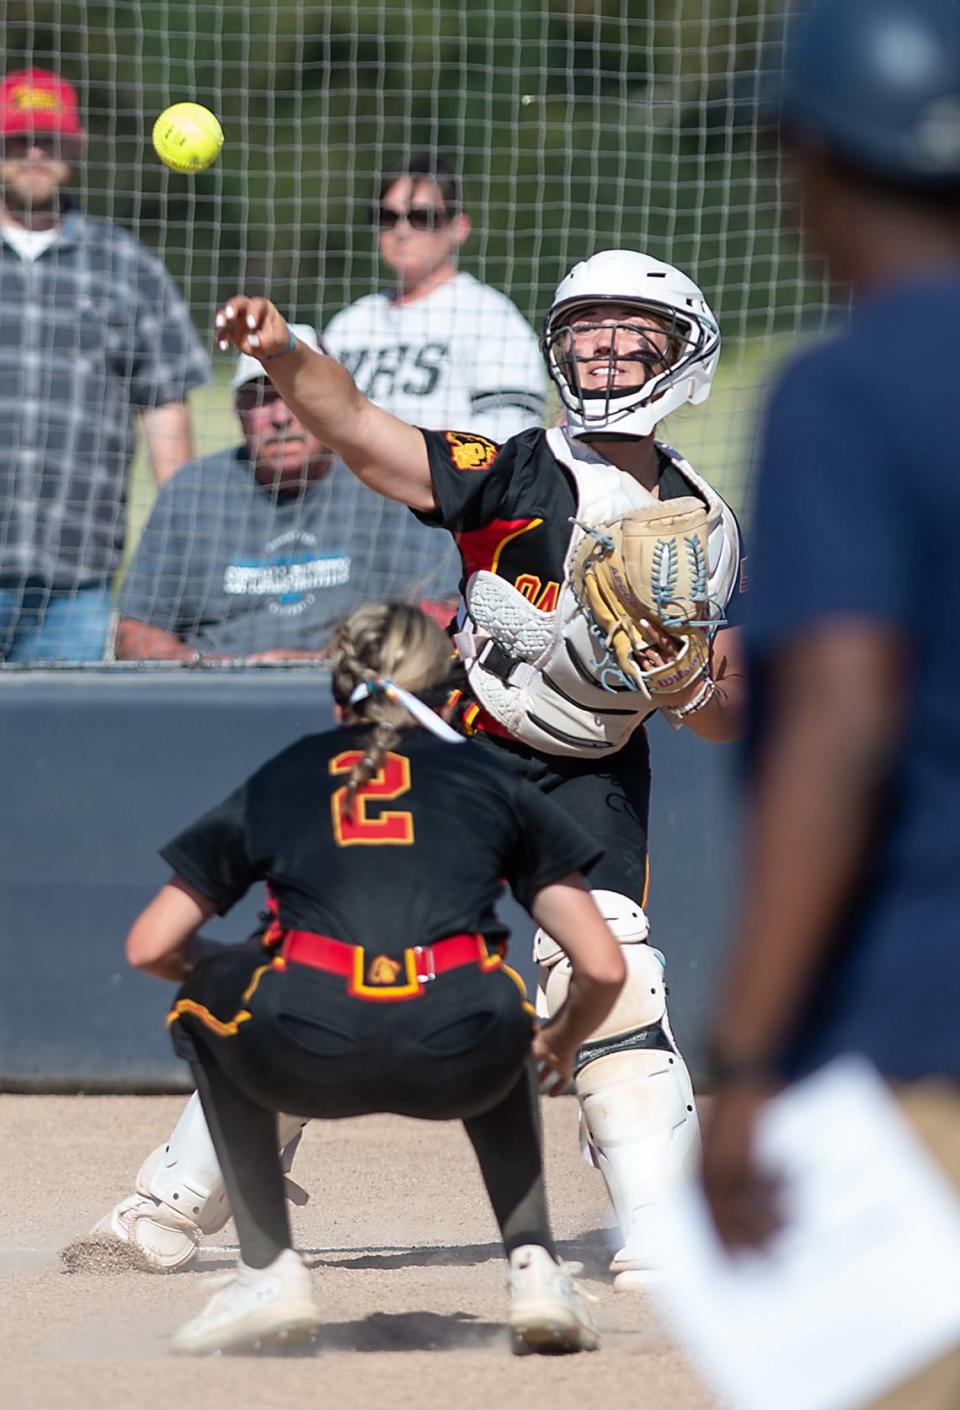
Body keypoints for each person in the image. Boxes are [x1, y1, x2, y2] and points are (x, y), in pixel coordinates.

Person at [78, 247, 745, 1286]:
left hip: (592, 776)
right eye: (586, 331)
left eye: (632, 333)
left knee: (621, 989)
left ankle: (664, 1234)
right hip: (457, 753)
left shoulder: (710, 522)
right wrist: (284, 349)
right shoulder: (516, 465)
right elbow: (358, 428)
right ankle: (172, 1199)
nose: (605, 350)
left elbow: (724, 712)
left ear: (683, 354)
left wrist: (688, 684)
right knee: (331, 969)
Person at [122, 601, 624, 1356]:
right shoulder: (492, 779)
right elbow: (604, 964)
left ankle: (268, 1270)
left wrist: (230, 969)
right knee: (497, 1003)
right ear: (455, 697)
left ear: (339, 695)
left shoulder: (288, 771)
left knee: (207, 1001)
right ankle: (536, 1270)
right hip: (462, 1056)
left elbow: (149, 945)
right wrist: (560, 1039)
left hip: (305, 1048)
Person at [697, 2, 960, 1406]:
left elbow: (843, 719)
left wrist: (743, 1059)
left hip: (920, 1038)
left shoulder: (844, 391)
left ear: (811, 155)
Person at [0, 68, 209, 662]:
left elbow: (169, 424)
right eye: (18, 140)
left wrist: (179, 565)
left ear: (75, 147)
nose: (34, 154)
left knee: (63, 753)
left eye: (49, 139)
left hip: (77, 591)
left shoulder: (127, 268)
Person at [115, 328, 442, 662]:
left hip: (353, 686)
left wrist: (333, 663)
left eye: (294, 394)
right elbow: (136, 635)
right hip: (216, 692)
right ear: (238, 411)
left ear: (333, 405)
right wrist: (214, 670)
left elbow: (442, 616)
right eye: (261, 398)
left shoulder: (385, 485)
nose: (280, 417)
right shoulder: (193, 492)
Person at [323, 151, 546, 441]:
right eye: (388, 217)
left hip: (446, 483)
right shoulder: (349, 325)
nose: (402, 231)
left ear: (459, 228)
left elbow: (509, 437)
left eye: (421, 217)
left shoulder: (490, 317)